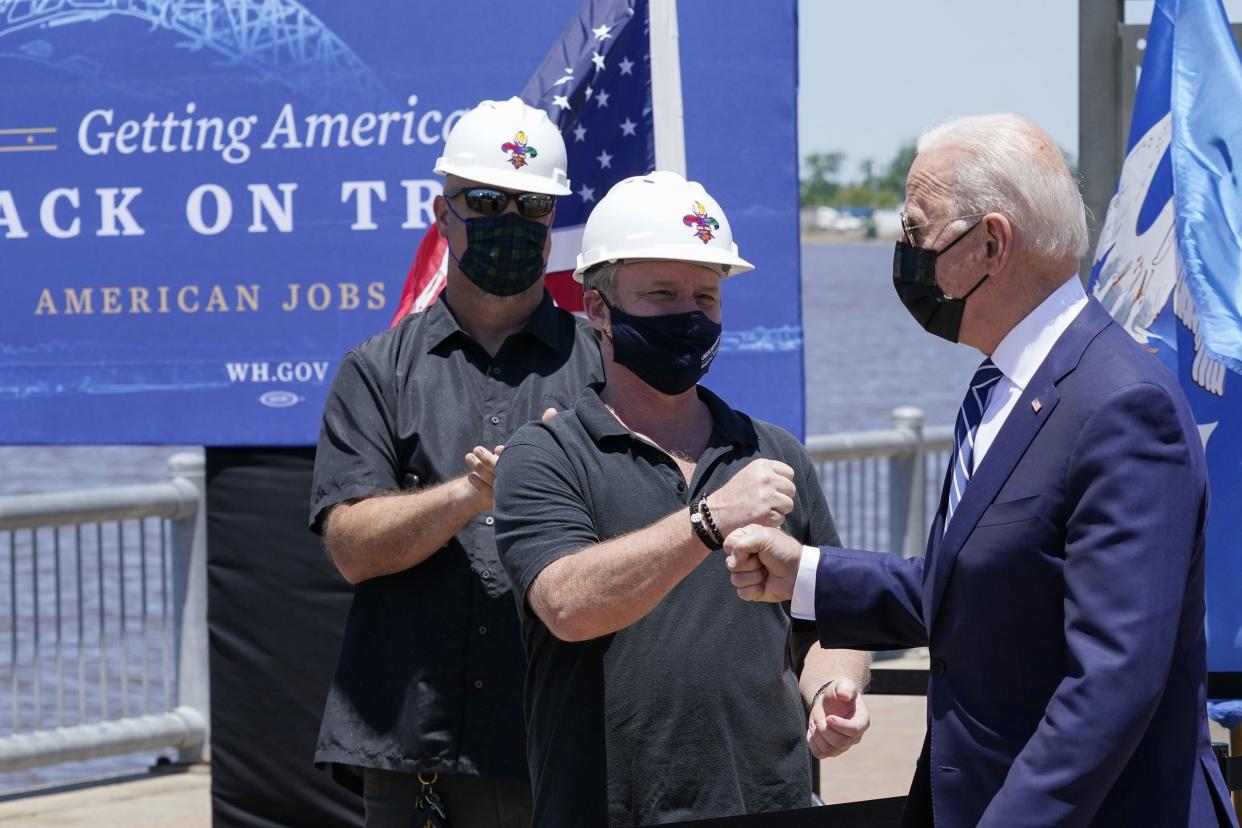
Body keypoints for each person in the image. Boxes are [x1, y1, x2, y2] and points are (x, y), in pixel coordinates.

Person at [724, 114, 1239, 827]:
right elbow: (981, 586)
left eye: (915, 228)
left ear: (990, 243)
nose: (901, 250)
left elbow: (1113, 682)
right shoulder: (999, 386)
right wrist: (806, 574)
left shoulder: (1121, 406)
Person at [492, 171, 872, 827]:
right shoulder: (545, 456)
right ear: (600, 309)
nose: (690, 315)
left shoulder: (774, 452)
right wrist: (707, 521)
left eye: (707, 295)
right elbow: (567, 605)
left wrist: (833, 691)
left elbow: (832, 618)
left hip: (772, 800)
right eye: (662, 294)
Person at [308, 97, 603, 828]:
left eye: (531, 204)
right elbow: (350, 549)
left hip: (567, 743)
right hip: (416, 753)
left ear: (553, 221)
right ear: (444, 214)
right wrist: (469, 495)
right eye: (484, 201)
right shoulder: (378, 371)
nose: (509, 218)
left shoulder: (606, 371)